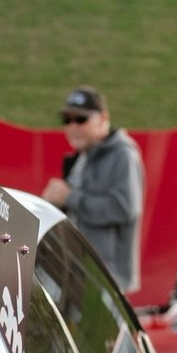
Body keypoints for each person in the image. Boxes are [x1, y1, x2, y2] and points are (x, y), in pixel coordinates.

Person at [41, 87, 145, 294]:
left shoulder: (123, 154)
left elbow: (123, 208)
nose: (73, 126)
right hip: (77, 273)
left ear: (103, 118)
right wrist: (52, 203)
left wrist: (69, 197)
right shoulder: (83, 156)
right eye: (67, 120)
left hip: (107, 279)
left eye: (81, 119)